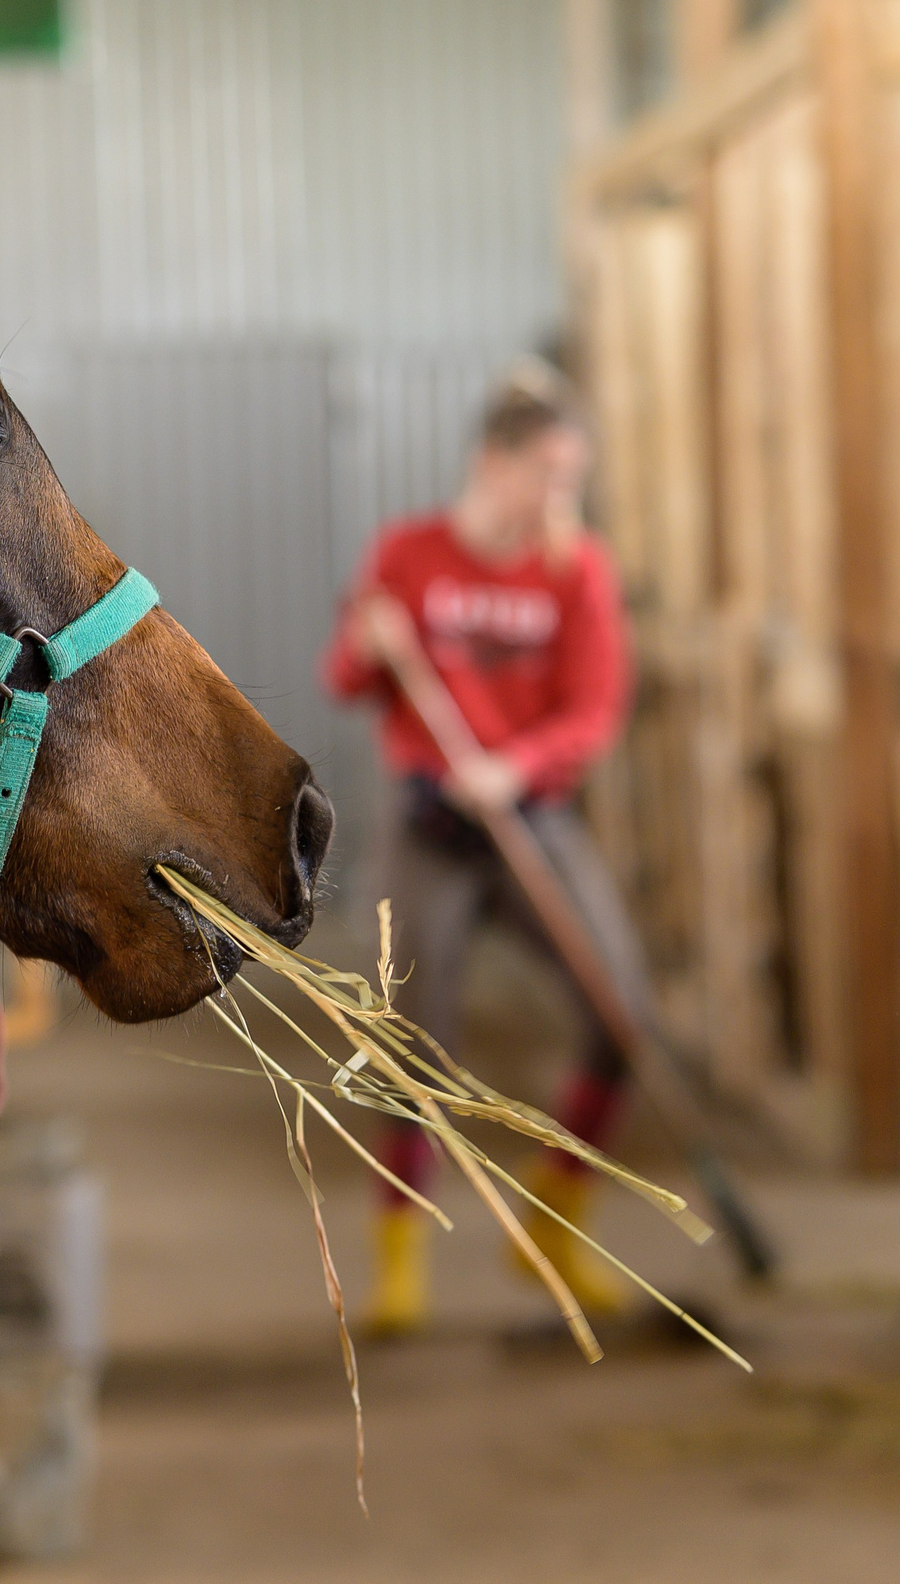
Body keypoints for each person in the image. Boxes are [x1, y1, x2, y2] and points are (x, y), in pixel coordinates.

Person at [319, 357, 656, 1337]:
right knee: (416, 1040)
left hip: (529, 818)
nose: (563, 494)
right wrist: (369, 643)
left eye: (572, 477)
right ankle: (399, 1258)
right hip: (430, 827)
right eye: (548, 472)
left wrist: (516, 767)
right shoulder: (409, 555)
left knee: (619, 1008)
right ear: (492, 461)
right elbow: (344, 677)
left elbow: (593, 710)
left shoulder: (575, 567)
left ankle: (551, 1225)